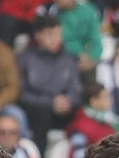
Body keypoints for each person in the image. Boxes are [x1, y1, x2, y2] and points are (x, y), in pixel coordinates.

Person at [17, 16, 81, 150]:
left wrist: (69, 100)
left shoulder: (68, 59)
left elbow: (76, 89)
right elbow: (21, 94)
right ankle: (39, 157)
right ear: (38, 35)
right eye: (50, 34)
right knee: (42, 112)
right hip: (37, 109)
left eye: (58, 34)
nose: (55, 39)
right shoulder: (25, 59)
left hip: (63, 109)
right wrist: (51, 101)